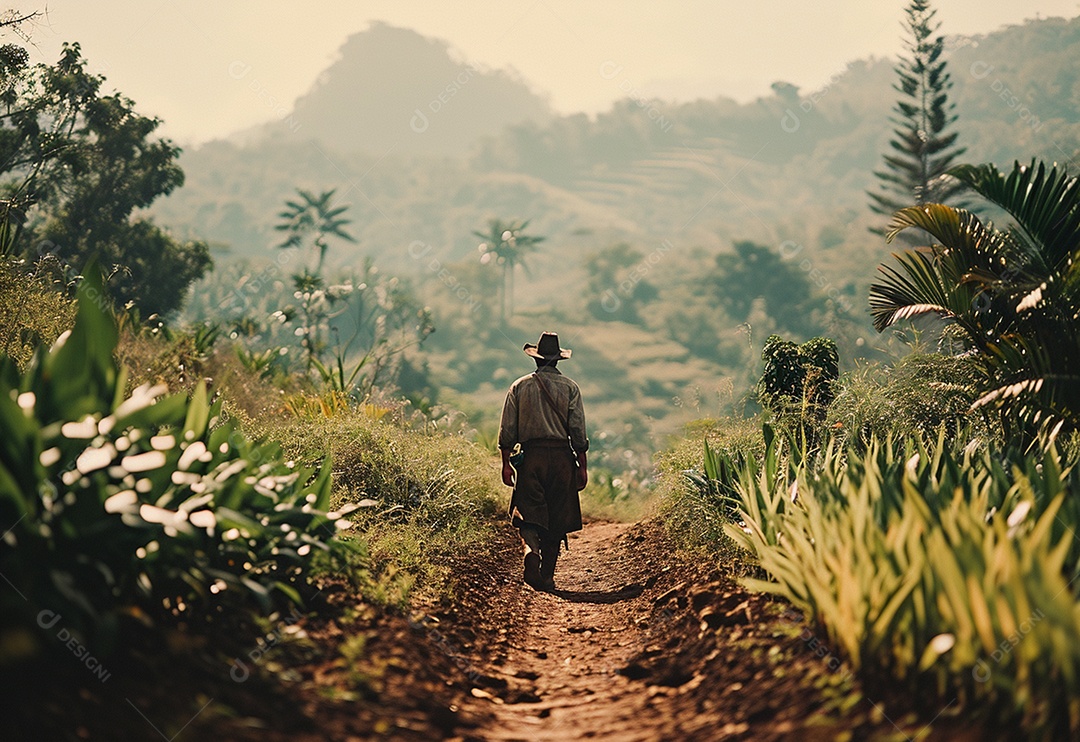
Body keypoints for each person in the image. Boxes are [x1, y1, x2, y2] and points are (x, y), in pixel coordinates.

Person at [499, 332, 588, 592]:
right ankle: (547, 576)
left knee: (528, 512)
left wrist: (506, 464)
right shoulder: (571, 388)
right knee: (557, 516)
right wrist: (582, 466)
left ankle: (530, 550)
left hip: (531, 458)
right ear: (558, 360)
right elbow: (578, 432)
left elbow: (507, 431)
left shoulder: (519, 386)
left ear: (536, 359)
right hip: (562, 460)